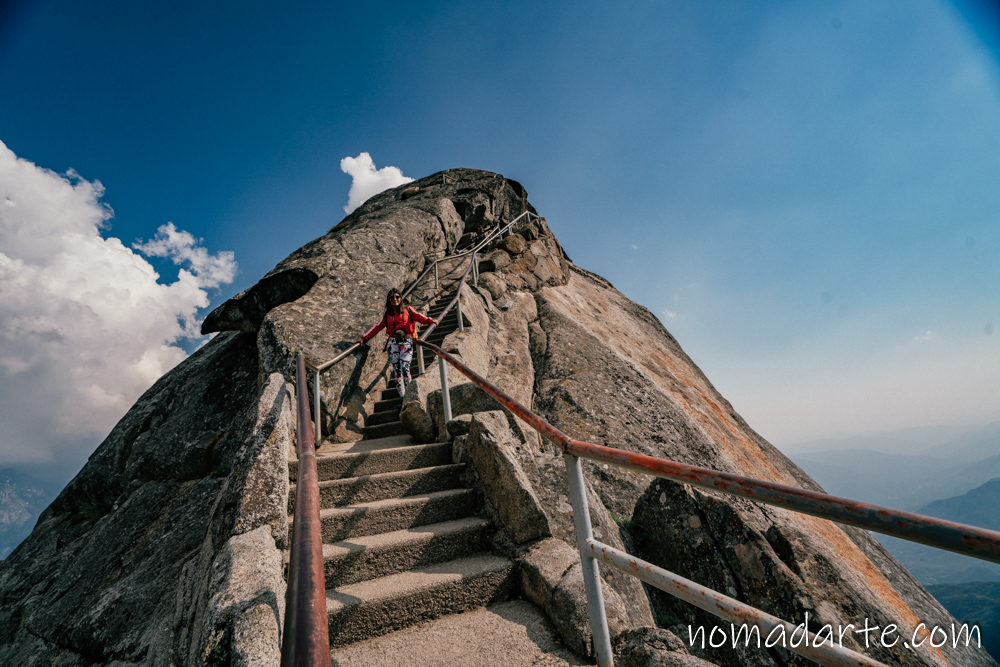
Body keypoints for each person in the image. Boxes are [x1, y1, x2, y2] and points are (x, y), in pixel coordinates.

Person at [358, 289, 439, 397]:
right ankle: (403, 397)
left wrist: (431, 320)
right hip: (393, 343)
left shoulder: (408, 310)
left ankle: (410, 396)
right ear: (389, 300)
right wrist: (364, 338)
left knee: (404, 368)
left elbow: (420, 317)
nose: (395, 299)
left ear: (401, 298)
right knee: (397, 371)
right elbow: (376, 327)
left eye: (397, 297)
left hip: (406, 342)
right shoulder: (387, 315)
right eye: (392, 297)